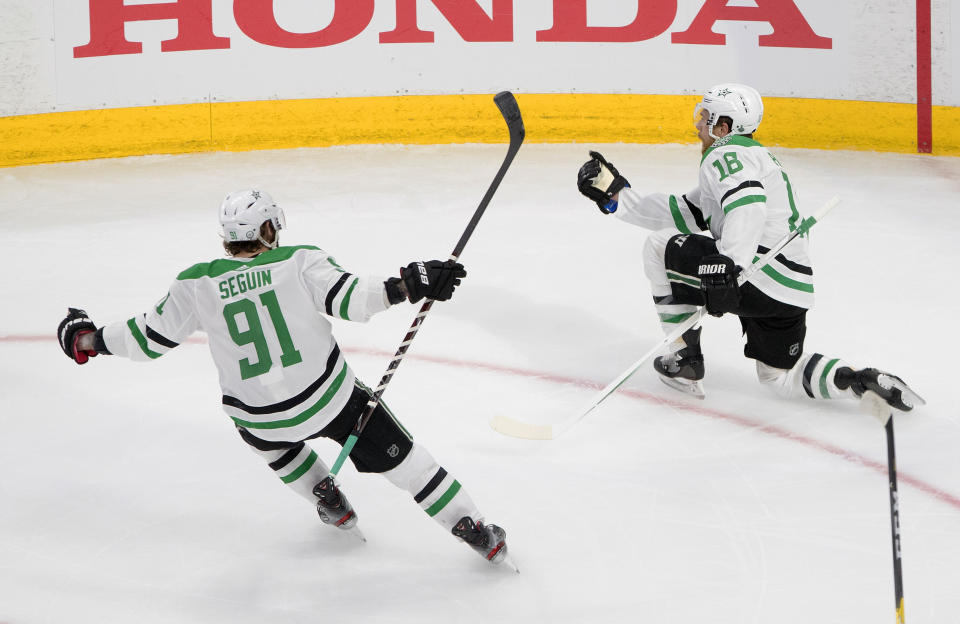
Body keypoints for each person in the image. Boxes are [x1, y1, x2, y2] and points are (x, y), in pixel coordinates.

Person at [57, 189, 509, 565]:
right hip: (330, 402)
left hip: (260, 421)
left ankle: (329, 502)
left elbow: (145, 338)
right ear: (268, 230)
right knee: (411, 465)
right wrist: (410, 284)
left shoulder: (195, 283)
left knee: (263, 431)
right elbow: (352, 298)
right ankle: (471, 528)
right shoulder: (298, 260)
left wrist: (87, 340)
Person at [576, 83, 921, 414]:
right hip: (790, 293)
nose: (698, 125)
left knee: (657, 247)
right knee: (778, 375)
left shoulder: (724, 153)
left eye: (705, 117)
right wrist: (617, 197)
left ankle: (684, 360)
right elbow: (685, 212)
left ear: (723, 126)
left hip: (755, 274)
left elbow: (749, 205)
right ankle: (855, 380)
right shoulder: (755, 158)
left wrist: (731, 264)